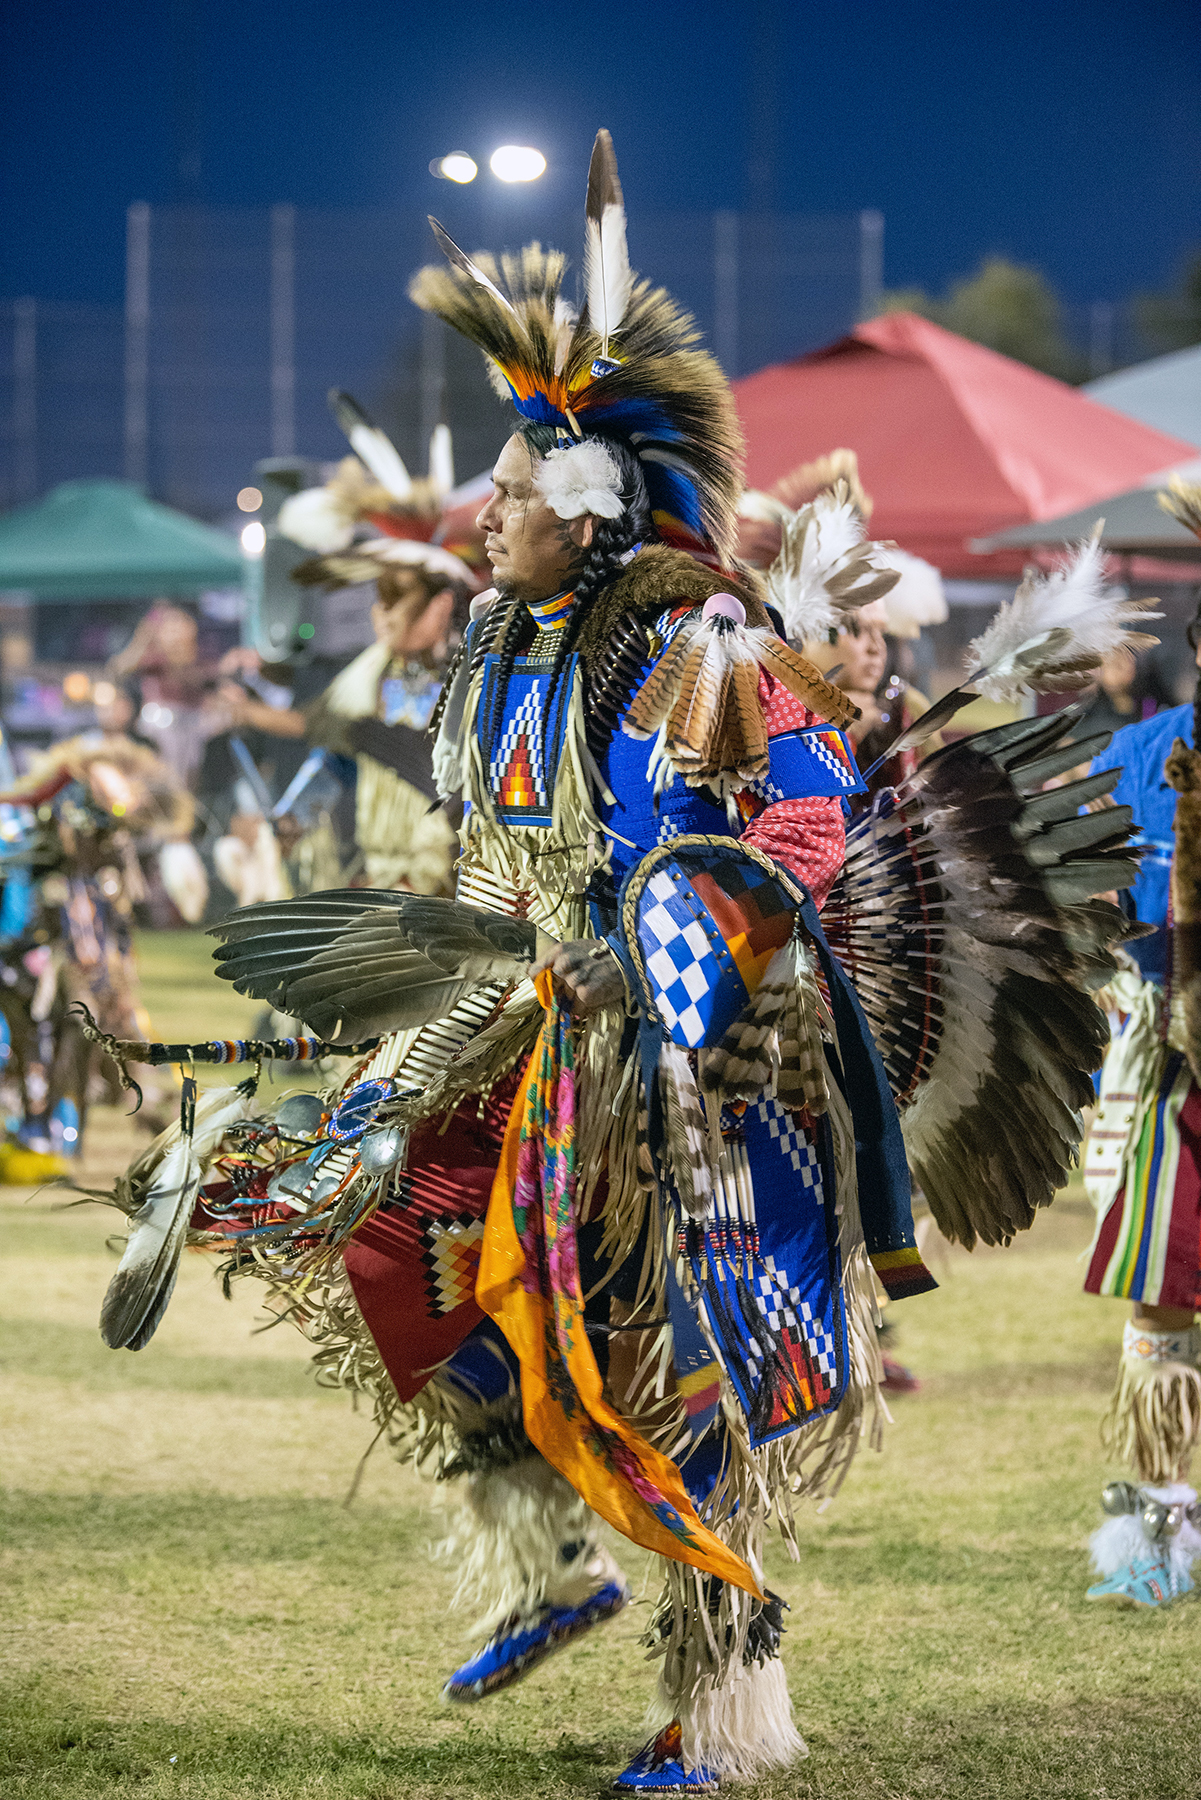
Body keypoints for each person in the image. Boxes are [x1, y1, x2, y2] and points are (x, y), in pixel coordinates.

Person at [90, 134, 1139, 1786]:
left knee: (692, 1363)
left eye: (510, 494)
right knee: (394, 1251)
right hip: (534, 1015)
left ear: (583, 511)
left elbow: (786, 823)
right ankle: (548, 1561)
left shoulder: (683, 639)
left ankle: (726, 1710)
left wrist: (703, 946)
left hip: (699, 1054)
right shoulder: (513, 645)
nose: (484, 515)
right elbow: (509, 858)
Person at [1082, 489, 1201, 1609]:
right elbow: (1075, 895)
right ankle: (1159, 1531)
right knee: (1163, 1304)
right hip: (1171, 1059)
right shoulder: (1140, 757)